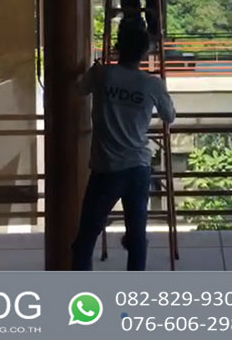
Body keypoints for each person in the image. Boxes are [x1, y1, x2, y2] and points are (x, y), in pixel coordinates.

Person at [71, 21, 175, 271]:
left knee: (85, 240)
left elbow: (78, 90)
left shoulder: (102, 75)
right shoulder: (151, 84)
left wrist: (89, 70)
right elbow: (169, 116)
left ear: (118, 48)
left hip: (106, 169)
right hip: (138, 167)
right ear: (144, 53)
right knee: (137, 238)